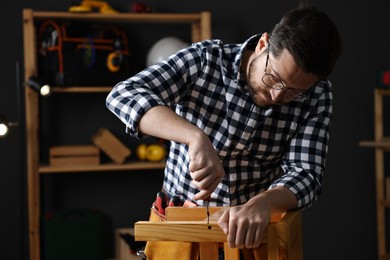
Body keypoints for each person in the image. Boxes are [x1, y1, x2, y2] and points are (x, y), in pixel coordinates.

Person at [106, 1, 342, 253]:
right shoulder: (205, 60)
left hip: (254, 232)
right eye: (273, 77)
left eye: (294, 91)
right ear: (263, 44)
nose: (276, 96)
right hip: (181, 227)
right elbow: (123, 95)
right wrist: (194, 137)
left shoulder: (317, 95)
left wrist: (263, 202)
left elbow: (306, 172)